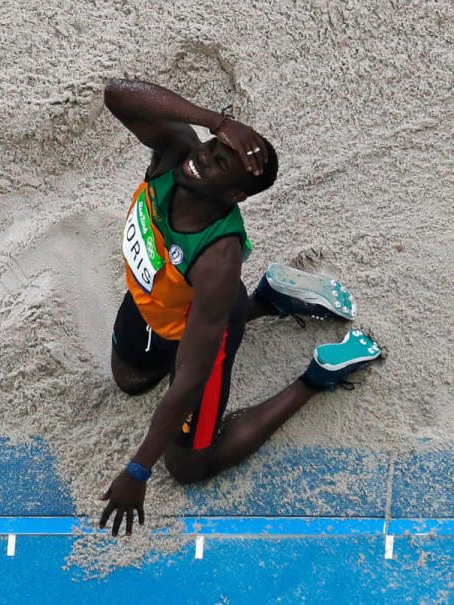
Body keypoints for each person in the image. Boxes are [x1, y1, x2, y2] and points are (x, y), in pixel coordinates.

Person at [97, 79, 382, 537]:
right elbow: (117, 95)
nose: (202, 158)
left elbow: (188, 383)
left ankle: (318, 376)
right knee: (129, 381)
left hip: (205, 319)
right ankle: (269, 298)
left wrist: (137, 472)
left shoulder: (219, 259)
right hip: (157, 307)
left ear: (234, 197)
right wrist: (218, 122)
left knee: (186, 465)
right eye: (214, 149)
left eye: (219, 164)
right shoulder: (176, 153)